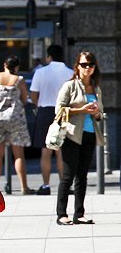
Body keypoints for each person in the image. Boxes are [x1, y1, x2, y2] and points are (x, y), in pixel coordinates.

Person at [54, 51, 104, 225]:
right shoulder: (70, 86)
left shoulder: (96, 88)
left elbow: (100, 115)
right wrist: (82, 110)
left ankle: (79, 213)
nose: (87, 68)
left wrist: (97, 113)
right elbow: (59, 110)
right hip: (71, 135)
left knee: (82, 175)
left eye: (90, 65)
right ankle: (61, 214)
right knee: (68, 175)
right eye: (84, 65)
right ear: (77, 66)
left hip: (89, 135)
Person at [0, 56, 35, 194]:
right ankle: (24, 187)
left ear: (4, 64)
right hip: (14, 117)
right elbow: (24, 99)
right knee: (18, 154)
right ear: (17, 67)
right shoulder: (19, 80)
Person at [29, 44, 73, 195]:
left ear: (49, 57)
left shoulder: (40, 72)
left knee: (46, 151)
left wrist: (37, 105)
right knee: (62, 151)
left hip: (45, 111)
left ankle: (46, 185)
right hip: (63, 112)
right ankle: (65, 185)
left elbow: (33, 95)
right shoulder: (70, 73)